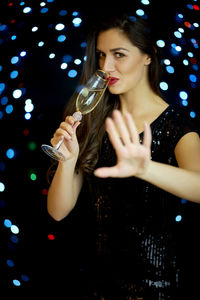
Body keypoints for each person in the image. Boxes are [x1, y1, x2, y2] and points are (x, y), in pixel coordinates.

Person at [46, 13, 200, 300]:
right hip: (96, 286)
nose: (106, 67)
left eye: (119, 54)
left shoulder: (177, 126)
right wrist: (66, 163)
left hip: (157, 289)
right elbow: (57, 211)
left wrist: (144, 168)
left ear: (148, 56)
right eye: (102, 55)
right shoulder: (93, 119)